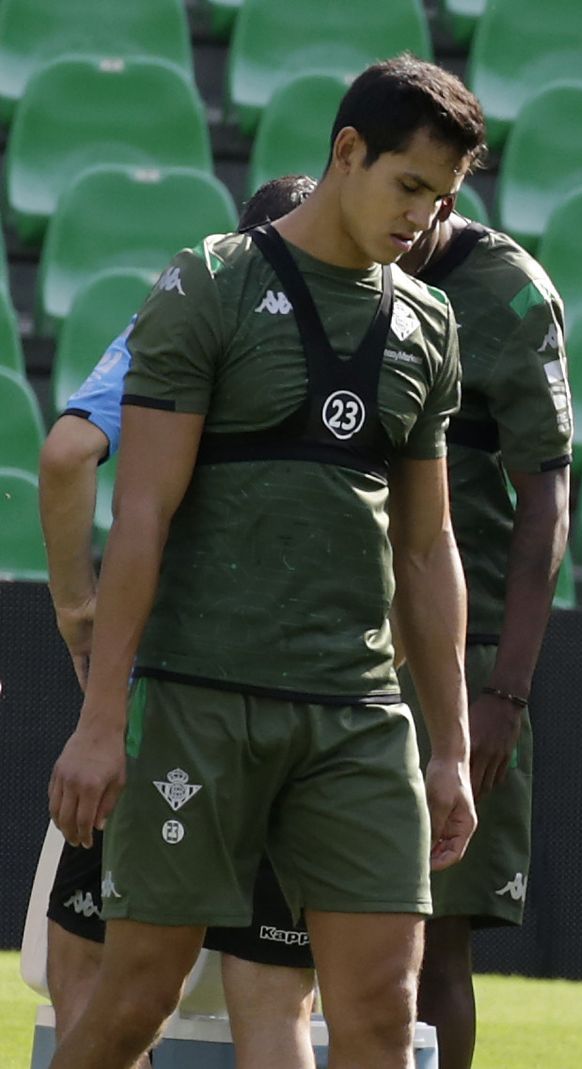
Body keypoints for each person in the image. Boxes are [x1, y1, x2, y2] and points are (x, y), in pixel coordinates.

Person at [45, 55, 484, 1069]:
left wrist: (452, 744)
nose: (422, 215)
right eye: (408, 184)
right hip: (200, 704)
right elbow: (142, 511)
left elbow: (427, 547)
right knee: (136, 1001)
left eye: (444, 199)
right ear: (346, 152)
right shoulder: (210, 283)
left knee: (377, 1011)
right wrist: (102, 719)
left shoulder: (428, 324)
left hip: (357, 717)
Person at [38, 175, 320, 1069]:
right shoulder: (383, 327)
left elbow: (69, 451)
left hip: (176, 689)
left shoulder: (187, 315)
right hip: (321, 697)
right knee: (278, 1000)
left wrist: (78, 611)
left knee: (96, 970)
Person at [393, 200, 573, 1068]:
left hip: (457, 648)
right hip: (322, 634)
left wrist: (505, 686)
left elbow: (546, 500)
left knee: (437, 933)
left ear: (451, 194)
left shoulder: (510, 294)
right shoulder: (324, 258)